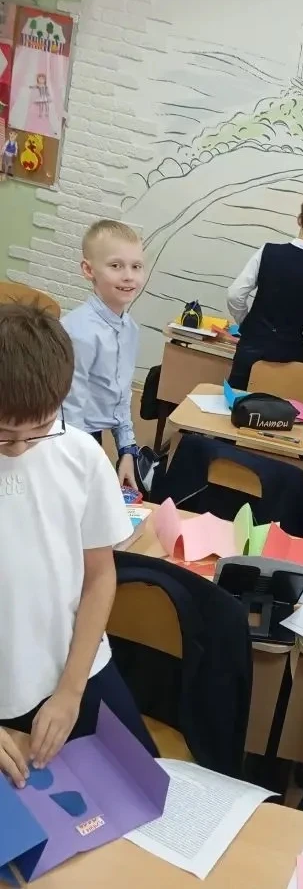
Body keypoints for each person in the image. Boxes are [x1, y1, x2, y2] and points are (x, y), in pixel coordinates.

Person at [0, 304, 156, 787]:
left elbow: (100, 575)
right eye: (4, 436)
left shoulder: (80, 454)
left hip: (76, 668)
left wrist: (70, 692)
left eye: (38, 431)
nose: (20, 448)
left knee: (142, 791)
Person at [226, 192, 303, 388]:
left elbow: (235, 295)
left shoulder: (268, 251)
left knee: (234, 403)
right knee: (274, 407)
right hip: (289, 359)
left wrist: (246, 323)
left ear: (299, 219)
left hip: (250, 348)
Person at [61, 220, 145, 491]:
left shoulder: (129, 328)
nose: (129, 276)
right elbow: (69, 409)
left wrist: (127, 450)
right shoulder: (78, 332)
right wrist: (89, 464)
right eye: (116, 266)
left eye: (136, 266)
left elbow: (121, 395)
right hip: (68, 440)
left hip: (94, 438)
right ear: (89, 270)